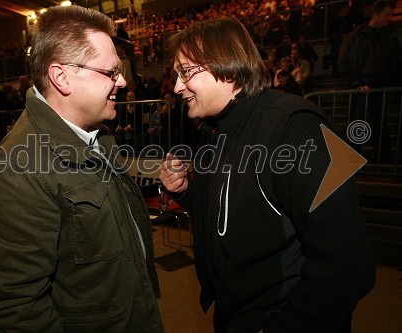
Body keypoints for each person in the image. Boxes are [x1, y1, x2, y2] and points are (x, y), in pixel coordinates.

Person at [160, 17, 375, 333]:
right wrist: (183, 191)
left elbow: (348, 264)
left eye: (186, 72)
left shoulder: (298, 126)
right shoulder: (217, 132)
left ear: (230, 69)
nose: (177, 86)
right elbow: (234, 214)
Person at [0, 6, 163, 333]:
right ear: (61, 77)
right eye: (111, 72)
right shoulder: (16, 169)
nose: (122, 82)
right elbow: (20, 307)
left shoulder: (100, 135)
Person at [338, 0, 400, 163]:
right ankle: (351, 161)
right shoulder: (355, 36)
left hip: (380, 87)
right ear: (375, 15)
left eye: (391, 15)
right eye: (387, 14)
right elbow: (343, 62)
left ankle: (383, 162)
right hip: (359, 87)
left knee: (380, 126)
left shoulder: (391, 36)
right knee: (357, 125)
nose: (390, 18)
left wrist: (376, 83)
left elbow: (395, 64)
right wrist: (356, 84)